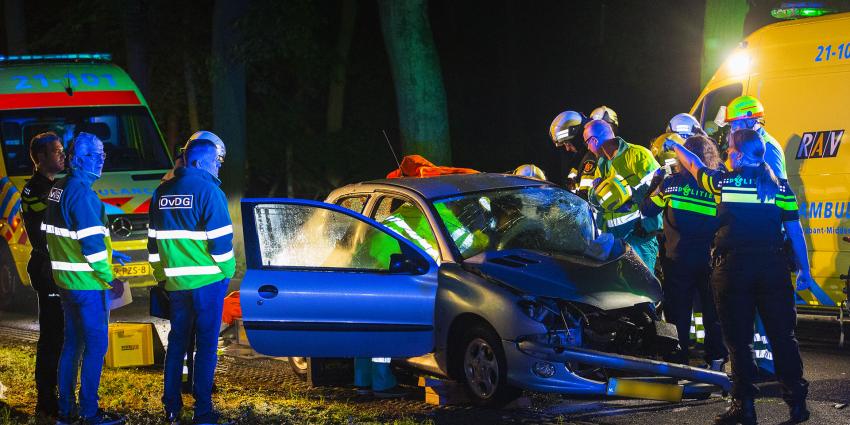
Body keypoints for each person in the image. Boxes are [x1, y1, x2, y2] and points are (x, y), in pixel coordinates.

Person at [666, 128, 813, 424]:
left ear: (743, 155)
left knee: (739, 341)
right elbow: (795, 232)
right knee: (783, 337)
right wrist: (805, 271)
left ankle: (744, 407)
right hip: (773, 268)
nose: (728, 153)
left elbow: (695, 165)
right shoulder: (780, 187)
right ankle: (797, 404)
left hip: (733, 270)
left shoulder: (725, 183)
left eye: (732, 150)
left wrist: (676, 146)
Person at [149, 136, 236, 425]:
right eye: (216, 161)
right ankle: (203, 411)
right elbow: (221, 245)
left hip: (175, 286)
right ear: (199, 161)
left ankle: (171, 408)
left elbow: (152, 245)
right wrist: (228, 273)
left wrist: (162, 277)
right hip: (208, 283)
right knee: (207, 346)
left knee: (177, 345)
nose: (219, 167)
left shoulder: (161, 193)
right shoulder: (210, 192)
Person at [44, 132, 126, 425]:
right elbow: (91, 244)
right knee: (95, 347)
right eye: (95, 155)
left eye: (103, 154)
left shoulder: (60, 187)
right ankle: (90, 412)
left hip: (66, 281)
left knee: (73, 344)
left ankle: (66, 411)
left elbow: (69, 236)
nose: (101, 160)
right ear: (77, 159)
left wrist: (111, 254)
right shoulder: (82, 193)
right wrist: (110, 276)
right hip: (88, 284)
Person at [640, 135, 727, 368]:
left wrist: (655, 182)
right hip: (710, 259)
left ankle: (679, 361)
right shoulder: (715, 186)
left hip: (677, 259)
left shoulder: (671, 184)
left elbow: (647, 210)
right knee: (712, 312)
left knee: (678, 313)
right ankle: (717, 359)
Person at [20, 132, 65, 420]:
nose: (62, 155)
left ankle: (57, 394)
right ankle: (46, 399)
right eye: (57, 151)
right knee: (52, 336)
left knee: (62, 335)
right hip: (46, 268)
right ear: (41, 158)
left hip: (56, 266)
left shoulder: (55, 186)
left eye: (62, 150)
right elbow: (51, 221)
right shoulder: (34, 189)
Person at [583, 119, 662, 269]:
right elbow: (598, 202)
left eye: (587, 142)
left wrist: (630, 196)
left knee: (641, 289)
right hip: (613, 242)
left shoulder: (638, 154)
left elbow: (659, 189)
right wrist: (595, 193)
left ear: (594, 140)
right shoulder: (602, 165)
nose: (588, 147)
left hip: (639, 240)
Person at [725, 95, 787, 180]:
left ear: (750, 121)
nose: (733, 131)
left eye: (735, 125)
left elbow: (778, 187)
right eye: (731, 126)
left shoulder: (768, 147)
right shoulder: (750, 144)